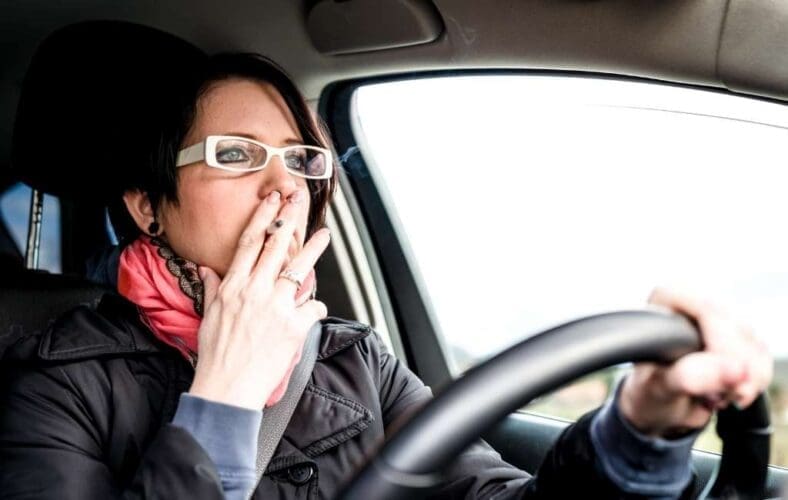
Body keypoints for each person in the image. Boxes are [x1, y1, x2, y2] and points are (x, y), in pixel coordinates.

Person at [0, 48, 772, 499]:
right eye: (234, 156)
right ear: (147, 206)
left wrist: (640, 426)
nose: (281, 189)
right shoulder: (55, 379)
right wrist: (225, 396)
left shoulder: (353, 359)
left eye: (299, 160)